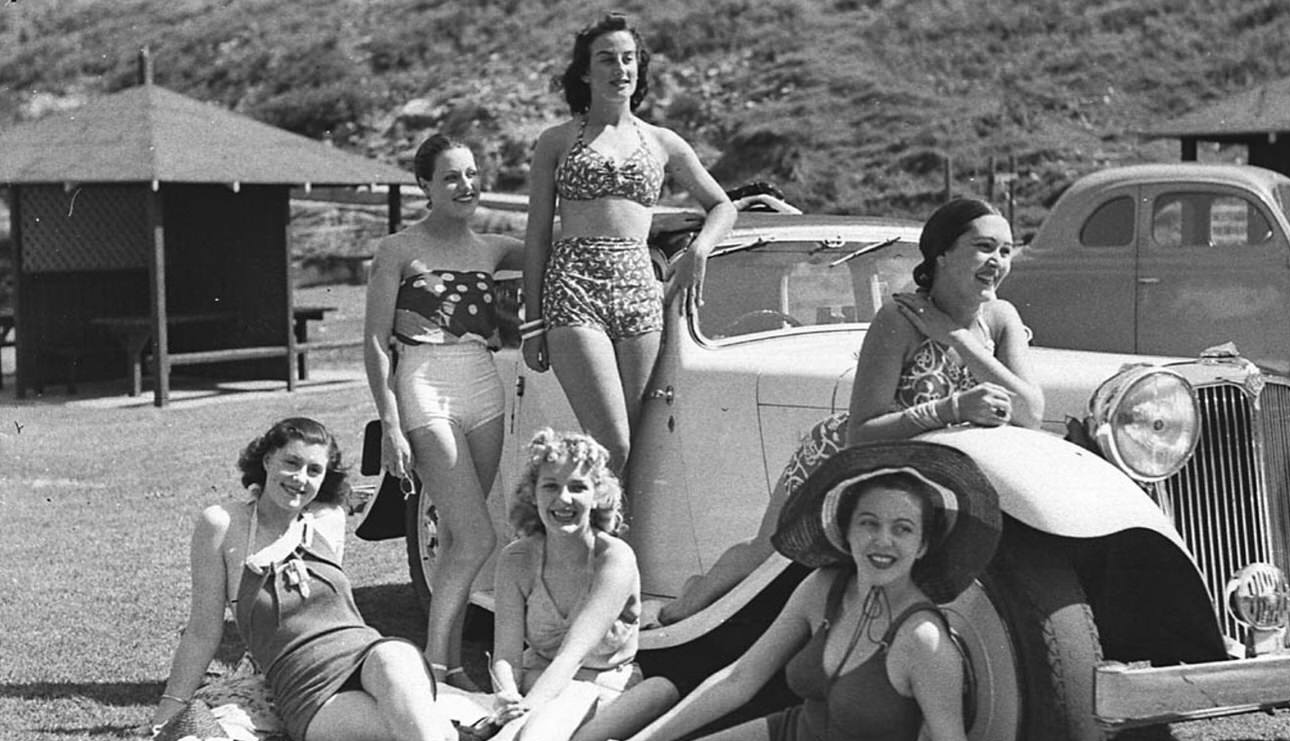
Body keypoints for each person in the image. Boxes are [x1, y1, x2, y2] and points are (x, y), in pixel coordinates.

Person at [352, 442, 1109, 741]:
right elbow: (739, 679)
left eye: (901, 529)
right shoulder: (824, 586)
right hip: (783, 740)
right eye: (869, 523)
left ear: (923, 542)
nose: (883, 540)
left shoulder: (924, 642)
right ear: (845, 530)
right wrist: (640, 740)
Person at [657, 197, 1042, 623]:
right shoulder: (898, 318)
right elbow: (862, 432)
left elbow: (1029, 411)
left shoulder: (1000, 318)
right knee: (767, 550)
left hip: (932, 470)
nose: (998, 262)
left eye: (1006, 251)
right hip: (844, 456)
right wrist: (954, 407)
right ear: (943, 254)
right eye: (984, 247)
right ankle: (685, 606)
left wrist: (959, 340)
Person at [153, 417, 473, 741]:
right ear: (267, 460)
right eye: (291, 462)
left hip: (367, 655)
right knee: (423, 732)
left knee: (393, 661)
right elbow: (203, 631)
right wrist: (169, 711)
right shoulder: (222, 523)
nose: (300, 478)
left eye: (314, 470)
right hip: (307, 690)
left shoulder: (327, 520)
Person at [521, 11, 737, 475]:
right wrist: (532, 323)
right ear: (585, 71)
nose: (620, 69)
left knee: (637, 450)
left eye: (628, 59)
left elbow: (723, 206)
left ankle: (612, 545)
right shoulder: (555, 141)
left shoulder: (663, 142)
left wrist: (699, 249)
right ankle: (592, 544)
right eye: (607, 59)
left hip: (640, 291)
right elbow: (537, 234)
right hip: (573, 289)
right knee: (611, 445)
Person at [364, 133, 524, 690]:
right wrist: (389, 422)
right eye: (452, 176)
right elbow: (377, 343)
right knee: (479, 538)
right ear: (425, 186)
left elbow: (568, 242)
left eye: (473, 174)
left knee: (460, 539)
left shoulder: (495, 248)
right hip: (424, 384)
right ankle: (436, 664)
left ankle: (450, 666)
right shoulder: (398, 250)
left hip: (483, 383)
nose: (466, 186)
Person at [476, 428, 678, 741]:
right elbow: (505, 653)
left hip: (602, 692)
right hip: (535, 685)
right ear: (533, 494)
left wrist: (516, 721)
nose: (563, 499)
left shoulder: (614, 559)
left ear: (598, 495)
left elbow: (572, 657)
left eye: (578, 487)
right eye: (551, 486)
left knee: (606, 693)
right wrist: (506, 695)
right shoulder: (516, 559)